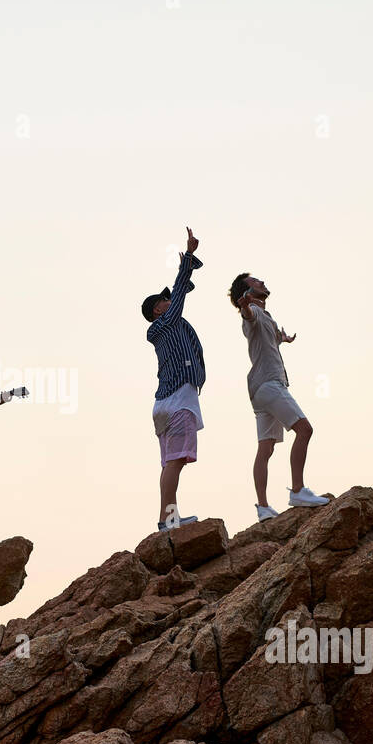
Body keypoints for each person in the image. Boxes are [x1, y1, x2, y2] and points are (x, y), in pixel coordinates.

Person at [229, 272, 330, 520]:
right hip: (270, 385)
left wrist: (282, 339)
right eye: (255, 282)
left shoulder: (266, 316)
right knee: (305, 430)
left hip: (259, 390)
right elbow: (248, 318)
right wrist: (245, 307)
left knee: (266, 447)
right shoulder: (252, 311)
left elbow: (267, 338)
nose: (262, 281)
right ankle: (297, 490)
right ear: (247, 292)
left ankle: (263, 507)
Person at [143, 226, 207, 532]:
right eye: (165, 301)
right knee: (176, 462)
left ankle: (168, 518)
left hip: (163, 402)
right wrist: (188, 259)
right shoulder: (166, 323)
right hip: (178, 398)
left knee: (171, 462)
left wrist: (188, 270)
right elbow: (180, 292)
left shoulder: (167, 326)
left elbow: (183, 291)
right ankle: (167, 520)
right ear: (158, 309)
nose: (171, 302)